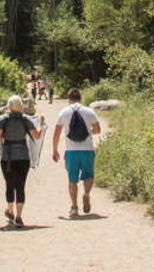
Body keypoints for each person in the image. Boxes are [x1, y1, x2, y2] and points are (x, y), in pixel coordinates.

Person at [0, 94, 43, 227]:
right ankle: (19, 216)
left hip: (7, 156)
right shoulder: (25, 120)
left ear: (9, 106)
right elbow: (36, 136)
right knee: (21, 186)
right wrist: (41, 124)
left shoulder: (3, 119)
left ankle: (10, 210)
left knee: (9, 185)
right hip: (23, 156)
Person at [51, 87, 101, 217]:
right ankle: (86, 194)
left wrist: (55, 150)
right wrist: (88, 131)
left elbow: (56, 133)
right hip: (87, 150)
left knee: (72, 179)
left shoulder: (64, 112)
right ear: (81, 98)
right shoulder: (89, 111)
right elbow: (97, 130)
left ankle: (74, 207)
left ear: (69, 99)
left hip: (71, 151)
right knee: (89, 175)